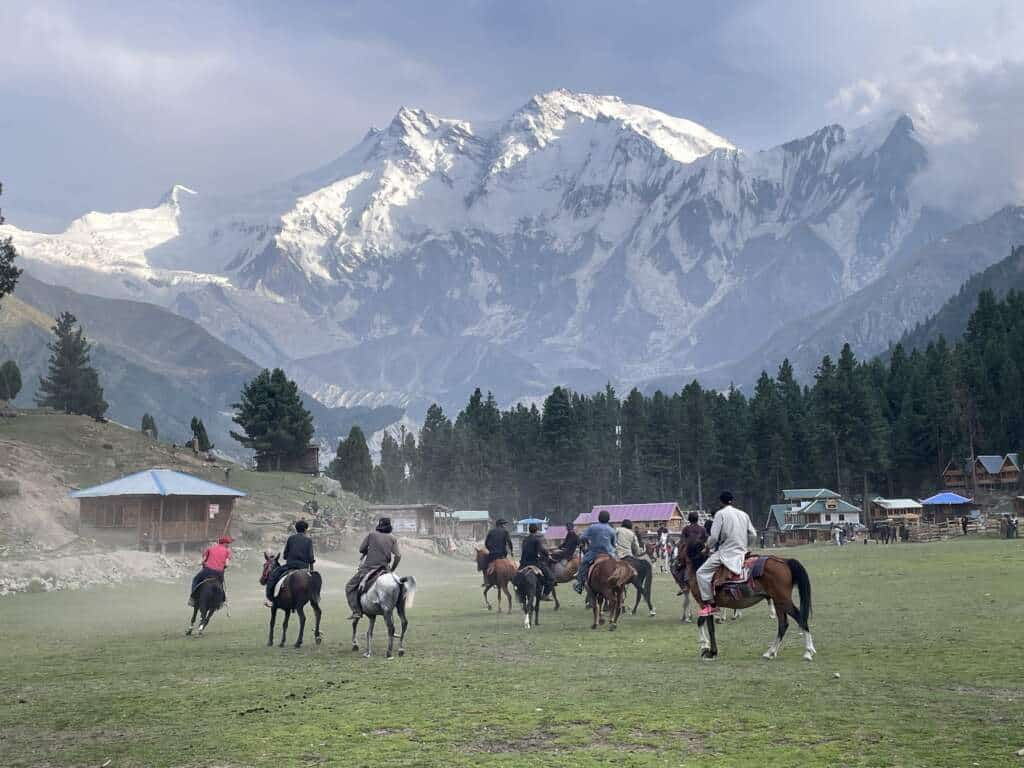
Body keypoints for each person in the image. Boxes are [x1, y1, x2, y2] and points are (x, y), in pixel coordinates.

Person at [696, 492, 756, 617]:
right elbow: (753, 534)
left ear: (721, 502)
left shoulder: (720, 514)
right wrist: (747, 547)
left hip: (726, 552)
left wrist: (707, 548)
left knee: (701, 573)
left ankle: (711, 605)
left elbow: (713, 538)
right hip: (742, 552)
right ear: (732, 501)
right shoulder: (743, 514)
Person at [346, 517, 401, 620]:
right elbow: (398, 556)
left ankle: (356, 611)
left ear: (379, 526)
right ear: (389, 527)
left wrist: (368, 550)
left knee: (349, 586)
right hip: (385, 568)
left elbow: (361, 549)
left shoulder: (371, 535)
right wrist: (392, 569)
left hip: (368, 568)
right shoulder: (393, 538)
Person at [265, 520, 315, 607]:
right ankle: (314, 599)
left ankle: (272, 599)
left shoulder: (291, 538)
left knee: (273, 576)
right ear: (306, 529)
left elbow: (285, 555)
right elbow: (311, 557)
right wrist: (311, 567)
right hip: (303, 567)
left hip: (290, 565)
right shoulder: (309, 540)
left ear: (296, 529)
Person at [573, 510, 616, 593]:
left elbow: (582, 537)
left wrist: (587, 541)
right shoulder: (611, 530)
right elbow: (614, 544)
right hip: (609, 553)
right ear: (608, 519)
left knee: (583, 563)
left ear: (599, 518)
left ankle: (579, 584)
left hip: (594, 553)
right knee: (618, 563)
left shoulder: (592, 527)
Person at [189, 535, 232, 605]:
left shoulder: (210, 549)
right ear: (224, 543)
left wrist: (201, 563)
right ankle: (222, 601)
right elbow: (227, 564)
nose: (228, 545)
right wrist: (222, 567)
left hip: (207, 571)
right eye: (227, 543)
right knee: (221, 586)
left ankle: (192, 599)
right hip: (219, 573)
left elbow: (203, 560)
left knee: (195, 580)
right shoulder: (227, 551)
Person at [519, 523, 554, 599]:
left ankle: (519, 592)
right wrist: (548, 554)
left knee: (517, 577)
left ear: (529, 530)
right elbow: (541, 550)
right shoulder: (537, 540)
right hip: (534, 563)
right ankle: (545, 594)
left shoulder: (524, 539)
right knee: (551, 578)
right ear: (536, 530)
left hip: (523, 563)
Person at [482, 519, 514, 585]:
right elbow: (509, 542)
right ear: (501, 525)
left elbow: (486, 543)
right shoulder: (505, 531)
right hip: (502, 554)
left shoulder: (491, 531)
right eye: (504, 524)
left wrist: (490, 549)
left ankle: (486, 581)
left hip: (492, 555)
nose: (505, 526)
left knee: (485, 565)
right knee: (510, 565)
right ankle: (512, 577)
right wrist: (511, 550)